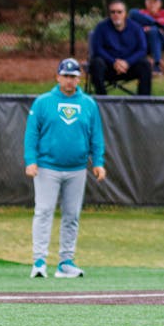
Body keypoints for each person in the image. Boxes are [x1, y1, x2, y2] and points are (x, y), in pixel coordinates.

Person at [24, 58, 106, 278]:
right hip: (47, 167)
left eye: (73, 77)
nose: (69, 80)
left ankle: (65, 263)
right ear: (58, 77)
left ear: (79, 79)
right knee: (43, 212)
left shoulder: (88, 104)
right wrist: (30, 160)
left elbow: (96, 136)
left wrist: (98, 162)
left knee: (72, 215)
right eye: (66, 76)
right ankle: (39, 261)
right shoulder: (43, 102)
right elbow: (31, 133)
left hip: (77, 168)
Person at [88, 0, 152, 95]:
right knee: (96, 63)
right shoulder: (101, 28)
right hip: (108, 67)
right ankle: (102, 100)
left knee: (145, 64)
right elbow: (98, 49)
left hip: (130, 67)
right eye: (113, 12)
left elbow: (142, 49)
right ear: (109, 14)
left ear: (125, 13)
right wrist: (114, 62)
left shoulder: (136, 28)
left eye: (119, 12)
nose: (116, 15)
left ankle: (143, 101)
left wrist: (127, 62)